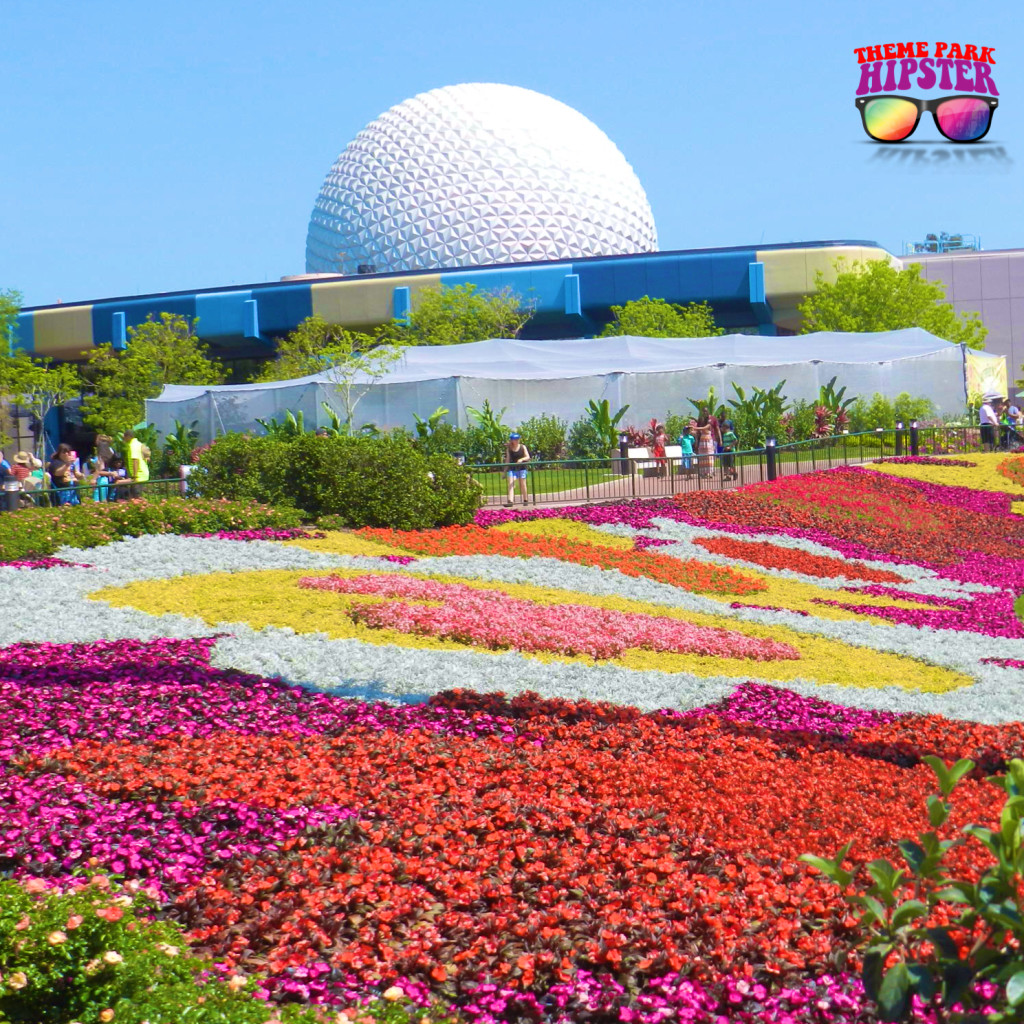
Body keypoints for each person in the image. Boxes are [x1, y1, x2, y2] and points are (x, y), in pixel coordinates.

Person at [504, 433, 531, 506]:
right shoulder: (509, 449)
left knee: (522, 484)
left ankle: (525, 500)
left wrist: (521, 459)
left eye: (516, 439)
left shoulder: (522, 447)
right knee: (511, 484)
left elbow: (527, 457)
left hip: (522, 468)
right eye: (514, 440)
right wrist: (504, 472)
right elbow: (508, 460)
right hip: (512, 468)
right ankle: (510, 501)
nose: (515, 441)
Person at [124, 430, 150, 497]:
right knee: (133, 496)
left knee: (137, 497)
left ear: (128, 436)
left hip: (138, 476)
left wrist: (135, 477)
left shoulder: (133, 445)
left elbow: (135, 460)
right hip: (141, 474)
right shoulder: (138, 443)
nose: (124, 438)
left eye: (124, 437)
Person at [693, 409, 717, 478]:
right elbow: (698, 431)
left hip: (708, 442)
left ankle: (710, 472)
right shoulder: (701, 423)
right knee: (703, 458)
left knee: (709, 457)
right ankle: (703, 473)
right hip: (702, 442)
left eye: (706, 411)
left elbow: (703, 428)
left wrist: (694, 428)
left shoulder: (709, 424)